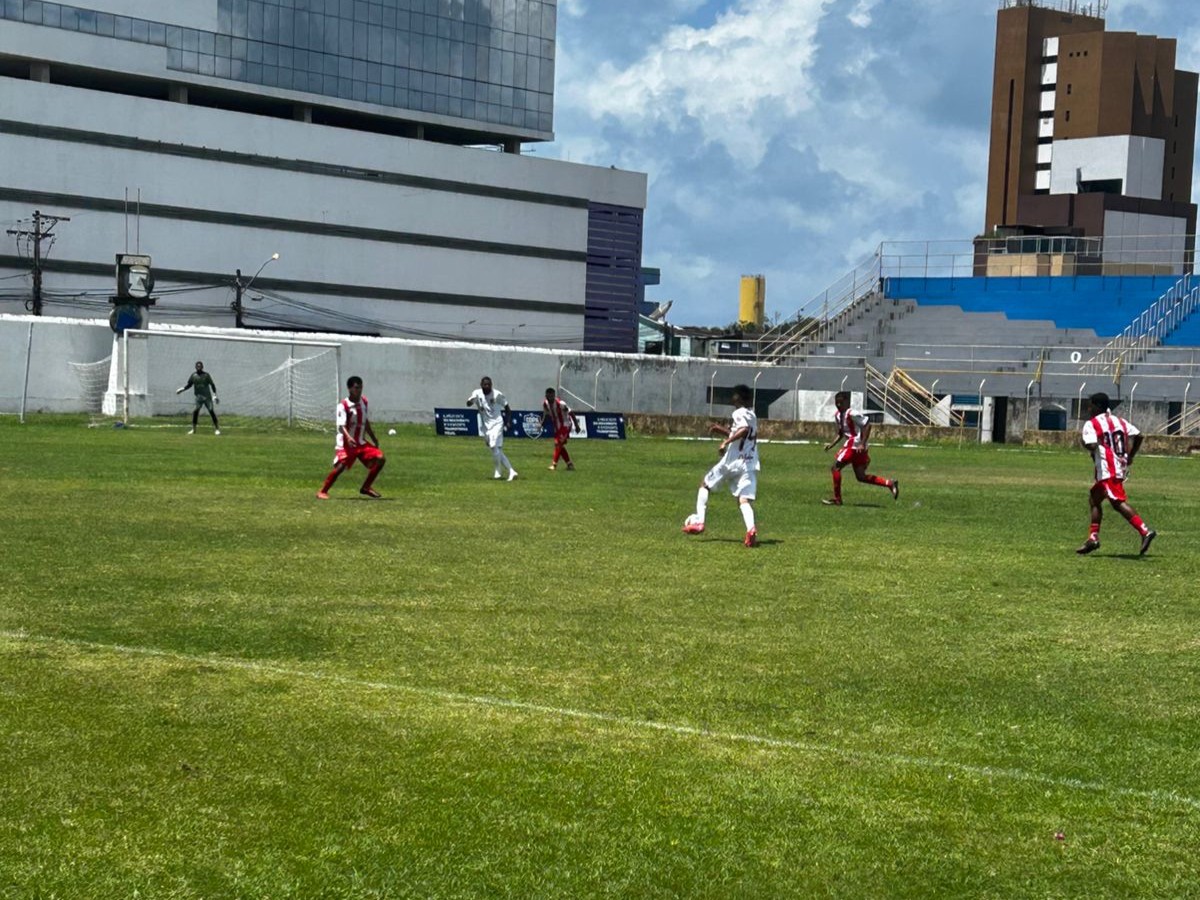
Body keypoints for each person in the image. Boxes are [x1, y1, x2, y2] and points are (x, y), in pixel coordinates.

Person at [1077, 392, 1156, 556]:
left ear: (1097, 406)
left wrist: (1084, 442)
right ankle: (1093, 538)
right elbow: (1139, 436)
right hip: (1118, 466)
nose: (1088, 408)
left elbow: (1092, 446)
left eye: (1090, 405)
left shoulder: (1091, 424)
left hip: (1108, 469)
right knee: (1094, 499)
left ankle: (1144, 531)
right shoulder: (1119, 421)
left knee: (1117, 502)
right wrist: (1131, 455)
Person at [682, 384, 760, 547]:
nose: (732, 398)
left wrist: (726, 441)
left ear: (739, 398)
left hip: (732, 462)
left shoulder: (738, 412)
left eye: (734, 395)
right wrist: (722, 430)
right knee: (743, 500)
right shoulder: (752, 415)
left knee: (705, 484)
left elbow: (743, 430)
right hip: (749, 463)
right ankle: (751, 529)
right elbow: (742, 432)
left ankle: (699, 521)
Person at [822, 390, 899, 506]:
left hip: (854, 445)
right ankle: (889, 483)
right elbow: (841, 433)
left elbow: (867, 425)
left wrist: (862, 443)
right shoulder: (838, 416)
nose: (838, 405)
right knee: (861, 476)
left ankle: (837, 499)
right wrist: (831, 444)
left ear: (847, 402)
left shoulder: (852, 413)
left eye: (841, 403)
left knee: (835, 468)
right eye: (836, 403)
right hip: (856, 448)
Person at [316, 376, 386, 499]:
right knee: (341, 467)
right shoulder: (343, 405)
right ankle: (322, 491)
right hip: (346, 443)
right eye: (356, 388)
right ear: (349, 389)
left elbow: (365, 420)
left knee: (380, 458)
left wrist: (373, 437)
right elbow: (341, 425)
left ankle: (366, 487)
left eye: (360, 387)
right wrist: (348, 438)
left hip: (360, 442)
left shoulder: (364, 401)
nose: (359, 390)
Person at [466, 376, 518, 481]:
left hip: (497, 423)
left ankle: (497, 472)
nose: (487, 386)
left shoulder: (497, 394)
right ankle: (511, 471)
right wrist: (471, 401)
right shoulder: (477, 393)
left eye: (489, 384)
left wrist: (508, 422)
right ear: (481, 385)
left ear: (491, 385)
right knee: (496, 449)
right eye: (485, 384)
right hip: (486, 426)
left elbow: (508, 409)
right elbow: (468, 404)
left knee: (494, 446)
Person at [539, 387, 580, 471]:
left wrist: (577, 426)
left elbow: (571, 413)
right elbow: (546, 413)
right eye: (548, 395)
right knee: (559, 446)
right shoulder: (545, 403)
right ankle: (569, 464)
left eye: (552, 395)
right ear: (546, 395)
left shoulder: (560, 403)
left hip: (566, 425)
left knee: (558, 444)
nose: (550, 397)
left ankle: (554, 465)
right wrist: (542, 423)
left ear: (554, 395)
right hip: (557, 426)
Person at [176, 360, 220, 435]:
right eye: (197, 366)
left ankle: (217, 429)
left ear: (202, 367)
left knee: (211, 411)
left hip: (207, 397)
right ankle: (193, 429)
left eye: (200, 366)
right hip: (198, 397)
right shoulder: (193, 376)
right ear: (195, 367)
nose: (199, 367)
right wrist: (182, 389)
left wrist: (215, 395)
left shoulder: (206, 375)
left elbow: (212, 385)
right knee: (196, 412)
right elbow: (189, 385)